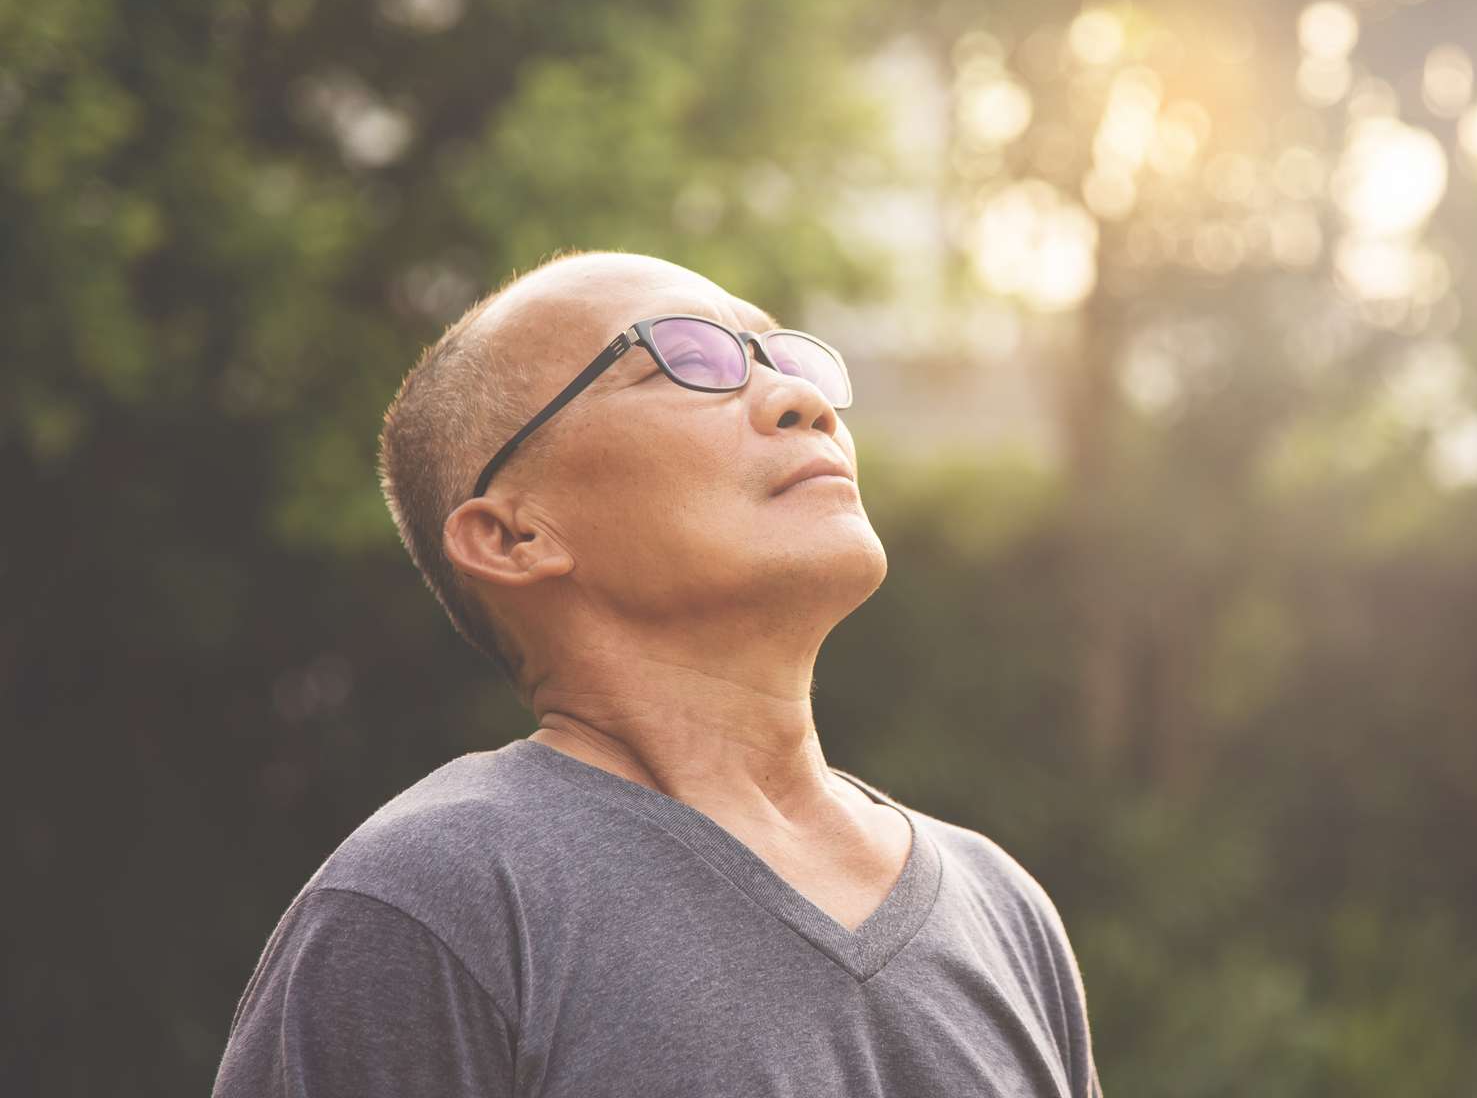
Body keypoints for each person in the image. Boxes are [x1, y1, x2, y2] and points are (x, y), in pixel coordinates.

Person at [211, 251, 1103, 1097]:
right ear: (514, 536)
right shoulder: (432, 904)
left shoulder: (1002, 906)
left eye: (782, 356)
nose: (800, 399)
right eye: (685, 359)